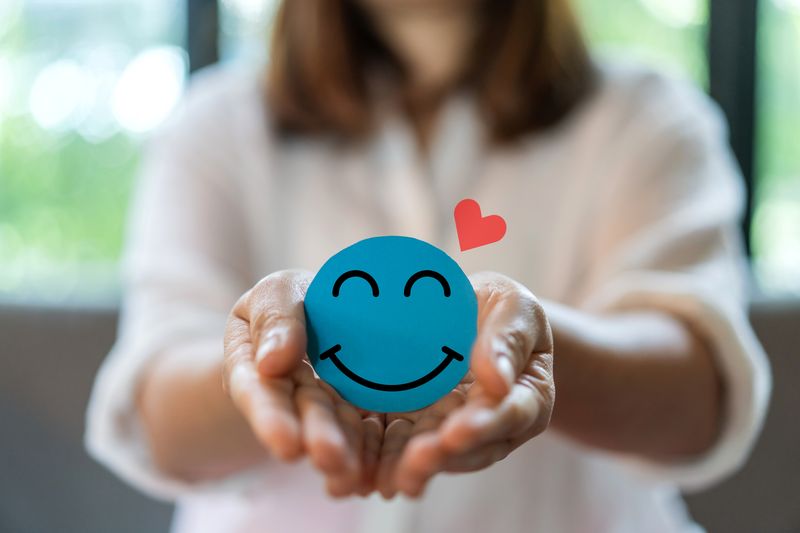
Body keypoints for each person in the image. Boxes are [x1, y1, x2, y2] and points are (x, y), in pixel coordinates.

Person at [85, 1, 771, 531]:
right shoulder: (214, 127)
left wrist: (530, 342)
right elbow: (156, 412)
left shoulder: (648, 117)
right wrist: (275, 358)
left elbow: (698, 394)